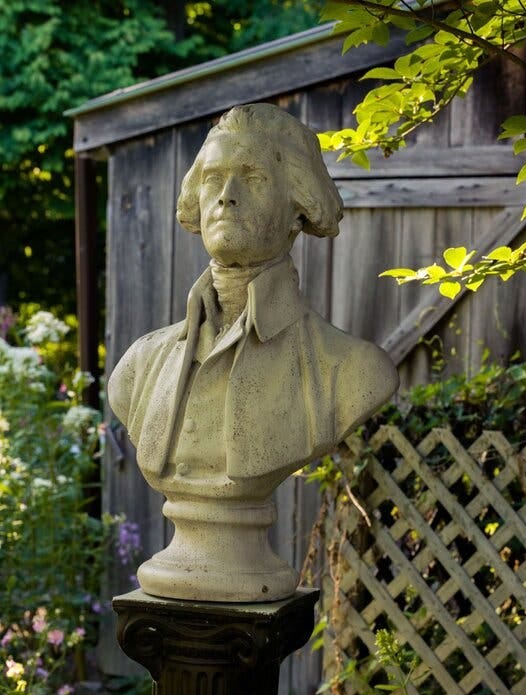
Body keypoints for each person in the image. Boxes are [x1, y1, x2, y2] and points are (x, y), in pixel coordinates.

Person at [108, 103, 399, 601]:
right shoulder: (140, 365)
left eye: (253, 177)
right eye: (214, 179)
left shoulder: (349, 371)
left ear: (298, 207)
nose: (226, 197)